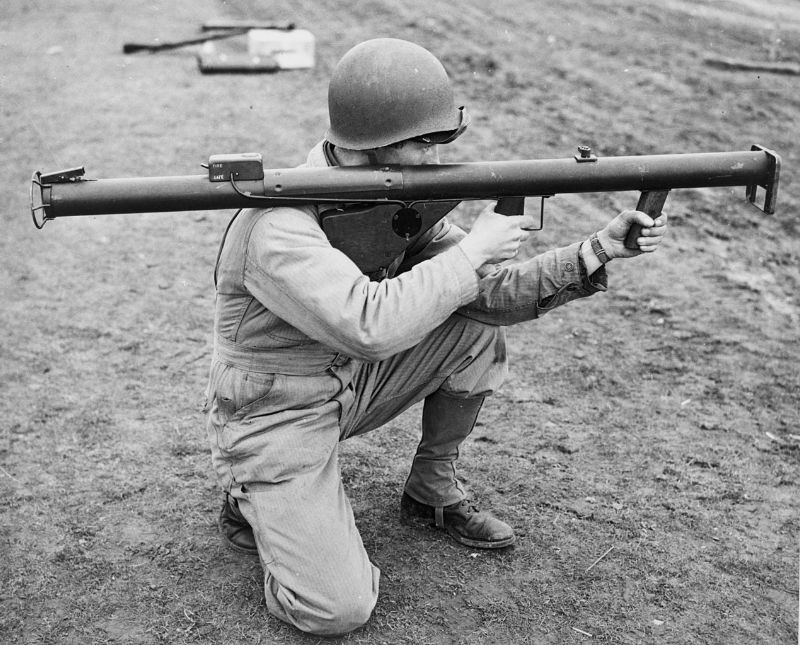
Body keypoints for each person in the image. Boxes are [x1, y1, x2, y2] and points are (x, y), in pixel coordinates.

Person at [204, 37, 668, 636]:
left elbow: (489, 296)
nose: (438, 156)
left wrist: (598, 249)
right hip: (274, 414)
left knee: (472, 329)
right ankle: (255, 500)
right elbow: (368, 324)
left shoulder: (383, 194)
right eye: (428, 142)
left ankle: (431, 489)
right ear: (375, 141)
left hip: (350, 386)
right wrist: (472, 249)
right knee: (336, 609)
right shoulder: (277, 223)